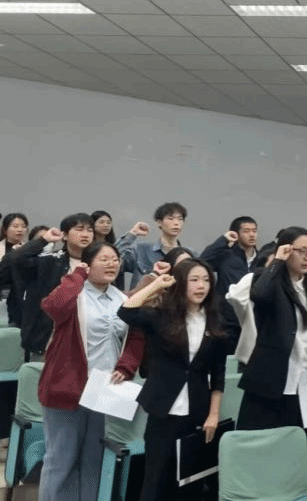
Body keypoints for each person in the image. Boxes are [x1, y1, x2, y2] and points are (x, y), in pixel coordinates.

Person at [38, 242, 140, 501]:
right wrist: (76, 276)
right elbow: (53, 306)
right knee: (62, 459)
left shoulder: (123, 299)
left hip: (104, 390)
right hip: (68, 387)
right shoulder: (75, 294)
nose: (111, 264)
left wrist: (126, 366)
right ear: (88, 264)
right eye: (104, 259)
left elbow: (136, 337)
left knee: (95, 459)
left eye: (115, 259)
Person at [118, 259, 227, 501]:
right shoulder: (162, 317)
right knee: (155, 479)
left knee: (190, 482)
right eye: (194, 280)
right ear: (181, 284)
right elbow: (126, 311)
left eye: (206, 280)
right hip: (163, 410)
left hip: (197, 412)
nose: (201, 286)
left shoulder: (215, 321)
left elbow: (218, 374)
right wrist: (156, 284)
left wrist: (214, 414)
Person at [237, 227, 307, 433]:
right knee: (264, 441)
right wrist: (277, 261)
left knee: (301, 442)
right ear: (286, 250)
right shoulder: (269, 282)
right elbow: (259, 295)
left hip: (305, 381)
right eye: (302, 251)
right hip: (270, 380)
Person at [7, 214, 94, 360]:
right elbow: (17, 259)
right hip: (49, 342)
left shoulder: (97, 264)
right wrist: (44, 240)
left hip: (88, 343)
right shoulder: (50, 262)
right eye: (79, 229)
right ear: (64, 235)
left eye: (90, 230)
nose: (85, 234)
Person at [200, 216, 261, 353]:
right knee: (225, 360)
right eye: (246, 231)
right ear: (236, 233)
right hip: (227, 320)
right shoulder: (226, 255)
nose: (252, 235)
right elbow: (201, 262)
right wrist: (223, 240)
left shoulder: (261, 258)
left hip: (253, 321)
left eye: (254, 231)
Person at [121, 202, 191, 287]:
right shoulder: (141, 250)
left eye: (180, 219)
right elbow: (115, 260)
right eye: (170, 218)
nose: (176, 223)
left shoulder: (189, 255)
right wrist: (132, 234)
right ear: (159, 222)